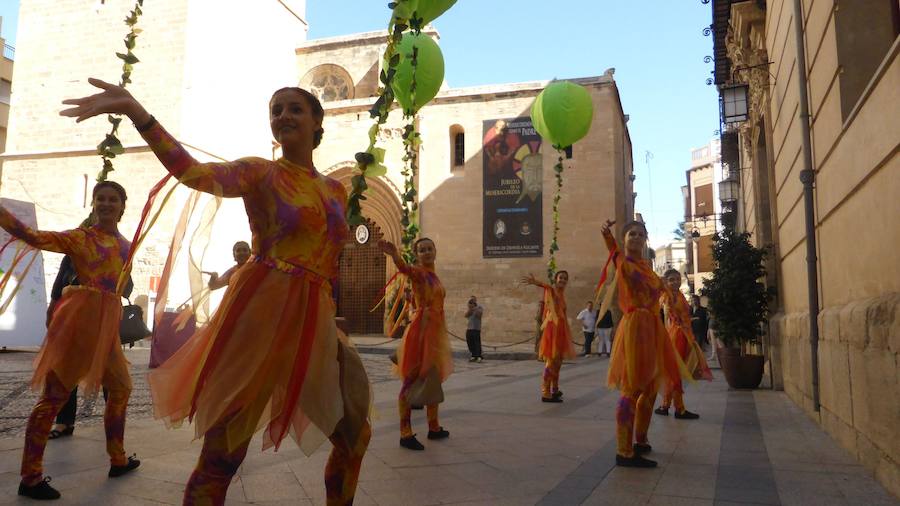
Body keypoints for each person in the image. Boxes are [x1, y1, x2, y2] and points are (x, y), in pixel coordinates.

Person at [62, 79, 371, 505]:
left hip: (315, 319)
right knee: (224, 453)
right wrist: (138, 113)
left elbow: (327, 257)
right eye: (275, 109)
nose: (283, 115)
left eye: (294, 108)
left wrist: (331, 314)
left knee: (355, 431)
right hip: (263, 317)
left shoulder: (337, 190)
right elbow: (193, 173)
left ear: (318, 121)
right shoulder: (261, 172)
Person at [3, 181, 139, 500]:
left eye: (112, 199)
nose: (106, 204)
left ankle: (117, 459)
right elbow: (35, 238)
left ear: (122, 206)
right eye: (100, 199)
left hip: (106, 329)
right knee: (54, 397)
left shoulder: (127, 245)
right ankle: (30, 477)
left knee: (121, 388)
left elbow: (123, 284)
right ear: (92, 204)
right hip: (79, 325)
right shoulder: (81, 238)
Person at [600, 219, 689, 468]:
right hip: (635, 327)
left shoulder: (647, 267)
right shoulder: (624, 263)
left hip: (653, 329)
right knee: (632, 388)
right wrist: (607, 235)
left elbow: (661, 288)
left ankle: (640, 440)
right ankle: (623, 450)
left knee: (650, 389)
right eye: (631, 234)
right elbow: (613, 251)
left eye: (640, 234)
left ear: (646, 239)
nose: (636, 238)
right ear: (624, 238)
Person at [47, 251, 134, 440]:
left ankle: (113, 424)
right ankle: (65, 421)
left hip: (102, 324)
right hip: (73, 322)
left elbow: (127, 288)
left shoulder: (115, 253)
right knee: (66, 371)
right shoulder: (72, 255)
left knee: (110, 374)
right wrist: (51, 312)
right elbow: (58, 286)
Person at [379, 238, 453, 451]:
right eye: (422, 250)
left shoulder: (434, 276)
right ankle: (405, 432)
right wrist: (394, 255)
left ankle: (434, 427)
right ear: (417, 254)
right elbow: (404, 269)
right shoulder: (419, 273)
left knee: (433, 379)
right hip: (421, 333)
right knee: (411, 380)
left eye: (430, 248)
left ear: (435, 251)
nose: (427, 252)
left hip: (435, 333)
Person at [655, 270, 713, 419]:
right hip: (678, 335)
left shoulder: (678, 294)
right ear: (666, 282)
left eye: (677, 279)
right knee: (676, 372)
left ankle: (665, 405)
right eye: (671, 280)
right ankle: (679, 409)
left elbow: (682, 316)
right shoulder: (668, 296)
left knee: (673, 372)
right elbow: (670, 316)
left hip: (683, 334)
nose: (675, 282)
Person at [521, 270, 577, 403]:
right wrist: (536, 282)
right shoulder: (552, 291)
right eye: (560, 278)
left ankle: (555, 389)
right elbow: (547, 287)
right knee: (551, 361)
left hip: (562, 330)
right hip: (553, 330)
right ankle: (545, 392)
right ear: (556, 279)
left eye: (565, 278)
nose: (562, 280)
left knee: (558, 361)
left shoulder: (562, 294)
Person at [464, 295, 484, 362]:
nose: (471, 301)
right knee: (469, 342)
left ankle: (479, 356)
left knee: (476, 342)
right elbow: (466, 315)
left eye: (473, 299)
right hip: (469, 328)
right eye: (471, 300)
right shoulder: (470, 308)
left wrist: (474, 308)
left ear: (475, 300)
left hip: (476, 328)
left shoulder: (479, 307)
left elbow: (479, 315)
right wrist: (470, 309)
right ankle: (473, 355)